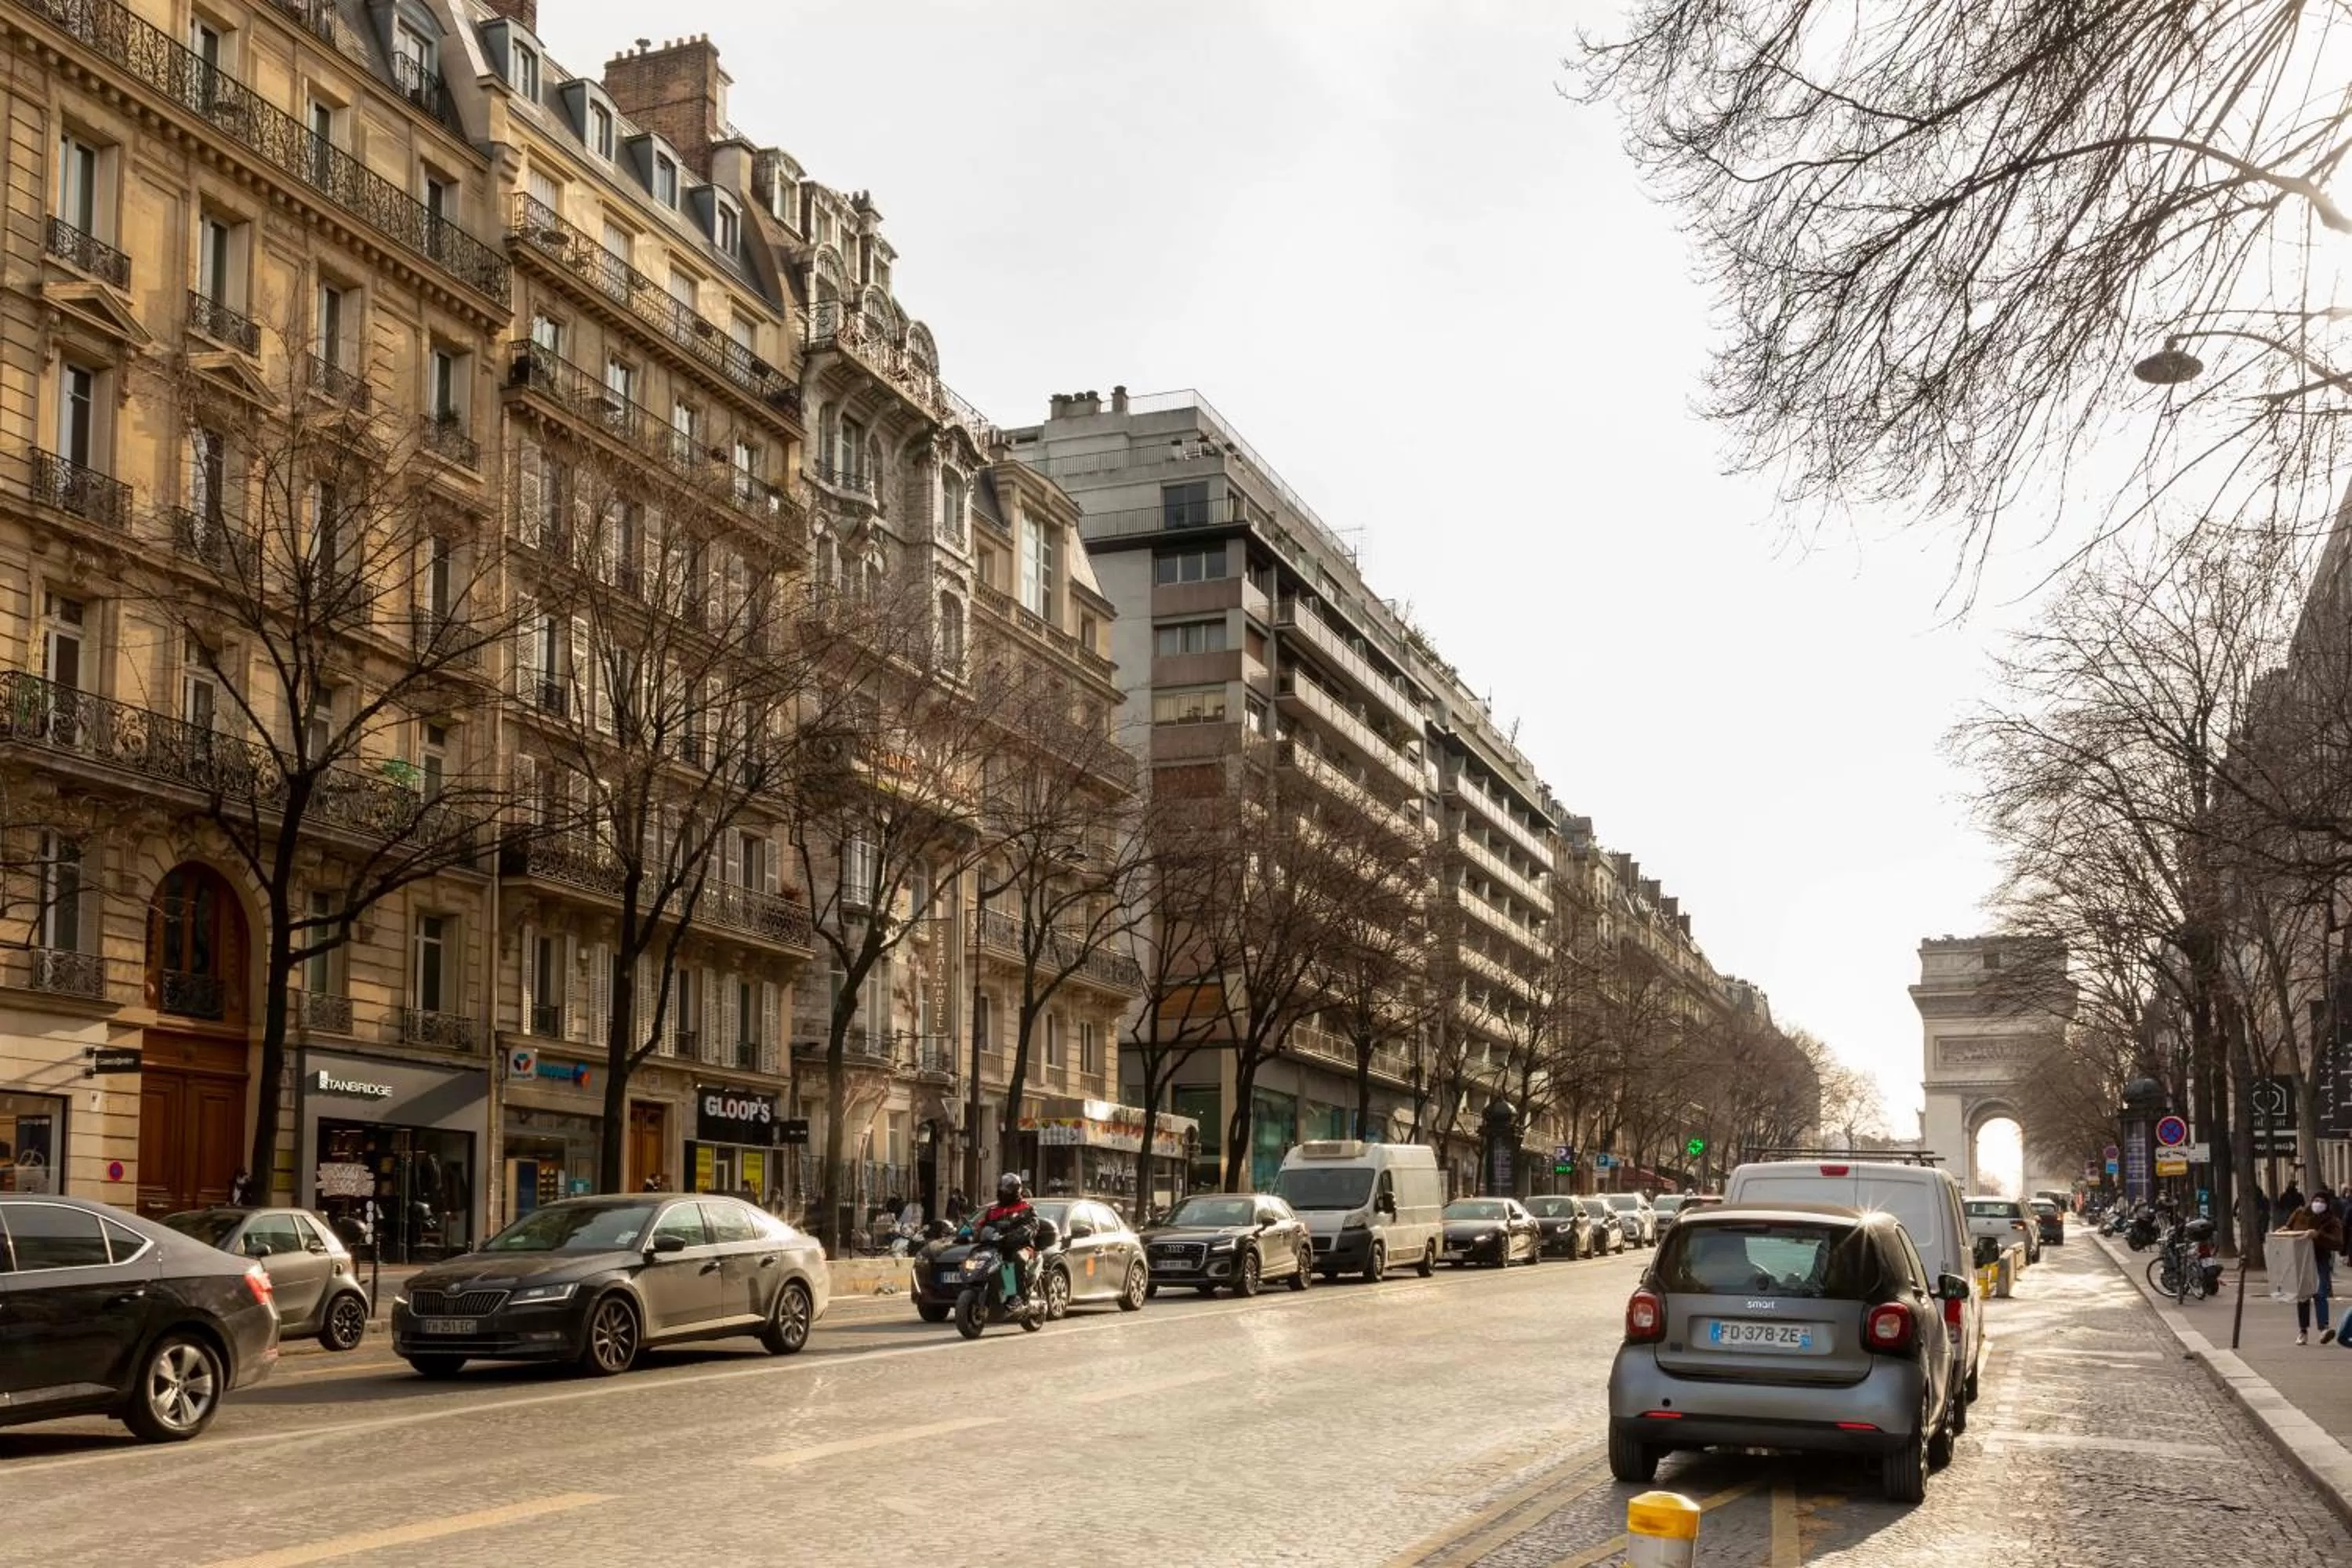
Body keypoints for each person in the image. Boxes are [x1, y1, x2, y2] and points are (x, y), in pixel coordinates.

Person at [2281, 1192, 2343, 1345]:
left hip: (2320, 1259)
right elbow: (2288, 1228)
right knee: (2303, 1295)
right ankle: (2303, 1331)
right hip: (2301, 1259)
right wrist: (2283, 1231)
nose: (2318, 1203)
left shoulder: (2332, 1221)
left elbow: (2338, 1242)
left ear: (2327, 1205)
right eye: (2316, 1200)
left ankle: (2324, 1328)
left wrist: (2318, 1236)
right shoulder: (2300, 1213)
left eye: (2322, 1201)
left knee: (2320, 1292)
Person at [976, 1172, 1043, 1300]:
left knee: (1016, 1258)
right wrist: (968, 1233)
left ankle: (1017, 1296)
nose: (1003, 1193)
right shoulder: (993, 1210)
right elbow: (982, 1225)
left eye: (1007, 1190)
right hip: (996, 1246)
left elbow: (1033, 1225)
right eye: (1002, 1189)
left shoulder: (1026, 1208)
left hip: (1021, 1246)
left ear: (1015, 1191)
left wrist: (1020, 1234)